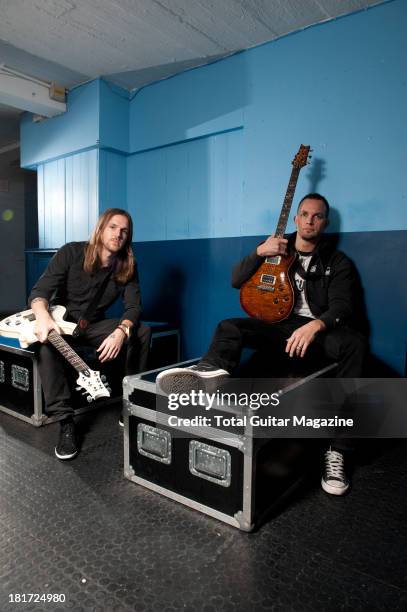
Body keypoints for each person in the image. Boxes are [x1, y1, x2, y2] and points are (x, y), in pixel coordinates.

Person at [156, 193, 367, 496]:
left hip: (317, 332)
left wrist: (315, 325)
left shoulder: (337, 261)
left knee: (355, 344)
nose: (310, 220)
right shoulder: (275, 249)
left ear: (325, 222)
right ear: (295, 218)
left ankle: (339, 450)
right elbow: (235, 279)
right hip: (279, 329)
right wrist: (258, 252)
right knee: (229, 326)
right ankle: (207, 374)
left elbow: (343, 306)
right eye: (304, 214)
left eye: (317, 216)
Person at [29, 208, 151, 461]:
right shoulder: (71, 252)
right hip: (62, 324)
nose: (119, 234)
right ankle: (65, 422)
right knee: (43, 347)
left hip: (93, 327)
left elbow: (133, 307)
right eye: (113, 227)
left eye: (124, 231)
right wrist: (43, 317)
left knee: (140, 331)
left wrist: (121, 331)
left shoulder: (127, 265)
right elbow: (40, 292)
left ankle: (129, 405)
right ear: (101, 228)